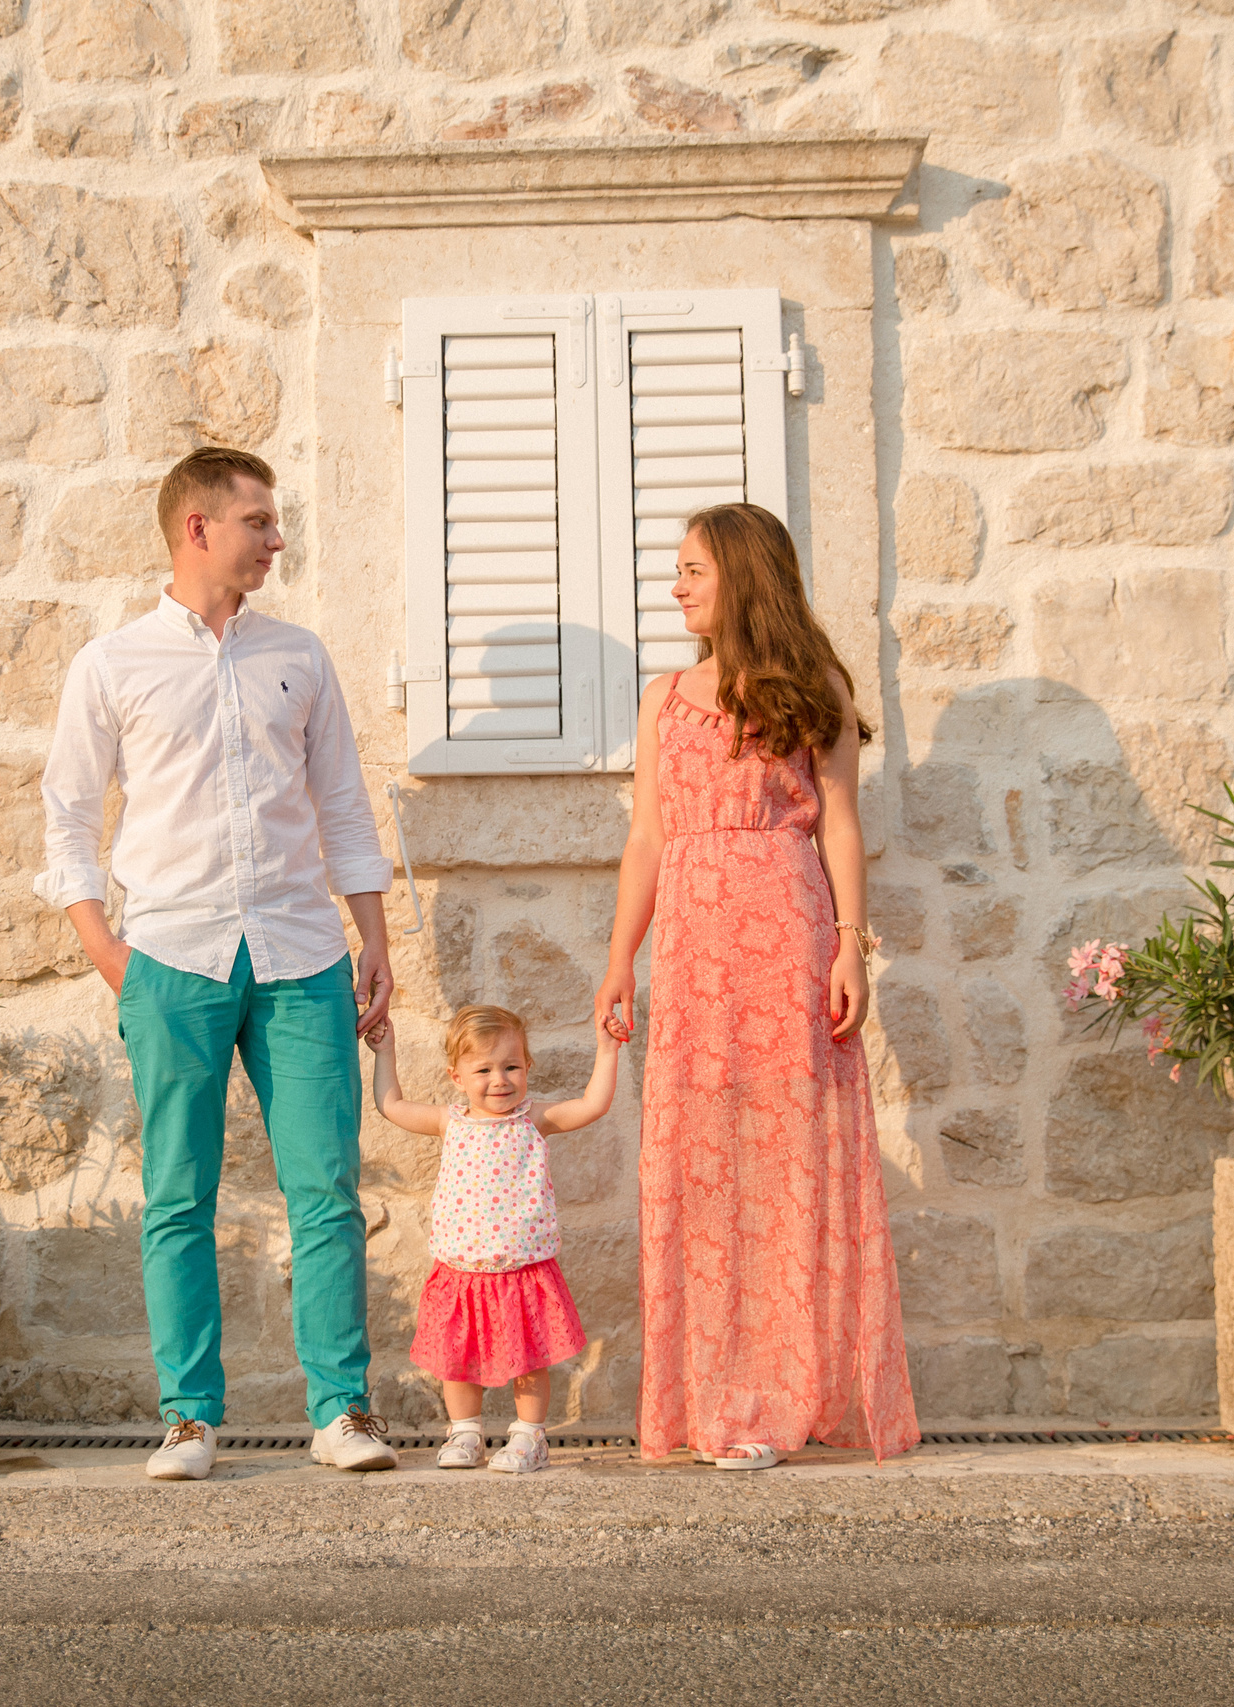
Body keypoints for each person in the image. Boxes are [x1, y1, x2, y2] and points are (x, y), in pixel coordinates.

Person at [37, 446, 402, 1482]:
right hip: (172, 956)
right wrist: (105, 948)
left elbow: (342, 804)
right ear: (197, 528)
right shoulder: (111, 665)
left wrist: (374, 938)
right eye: (258, 522)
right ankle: (190, 1418)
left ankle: (341, 1410)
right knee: (178, 1195)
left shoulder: (300, 656)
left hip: (301, 952)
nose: (276, 540)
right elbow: (68, 814)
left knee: (326, 1188)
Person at [594, 501, 921, 1471]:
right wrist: (619, 958)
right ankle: (711, 1396)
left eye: (693, 569)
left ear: (742, 575)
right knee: (699, 1168)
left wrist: (851, 946)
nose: (676, 587)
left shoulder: (815, 687)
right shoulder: (664, 697)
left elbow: (841, 824)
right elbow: (647, 836)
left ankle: (779, 1398)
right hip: (693, 951)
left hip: (788, 934)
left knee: (789, 1166)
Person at [364, 1004, 620, 1474]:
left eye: (511, 1067)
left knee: (530, 1360)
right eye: (483, 1070)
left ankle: (529, 1437)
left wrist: (607, 1048)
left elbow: (593, 1104)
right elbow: (392, 1105)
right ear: (457, 1077)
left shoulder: (533, 1119)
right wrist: (386, 1052)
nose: (499, 1080)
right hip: (461, 1271)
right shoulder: (450, 1121)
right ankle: (465, 1433)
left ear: (528, 1067)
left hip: (523, 1269)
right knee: (457, 1360)